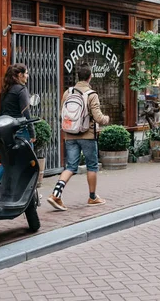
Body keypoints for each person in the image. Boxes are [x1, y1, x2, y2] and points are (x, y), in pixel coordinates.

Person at [47, 62, 110, 211]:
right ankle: (93, 197)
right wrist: (106, 119)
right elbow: (98, 117)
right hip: (87, 135)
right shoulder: (91, 94)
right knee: (92, 166)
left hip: (70, 135)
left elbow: (62, 113)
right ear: (90, 77)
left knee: (70, 167)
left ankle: (56, 194)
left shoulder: (67, 93)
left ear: (78, 77)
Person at [0, 63, 36, 184]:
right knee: (29, 163)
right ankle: (28, 192)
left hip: (6, 131)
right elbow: (26, 113)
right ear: (20, 75)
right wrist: (32, 132)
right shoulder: (21, 90)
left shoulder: (5, 91)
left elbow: (1, 112)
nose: (28, 76)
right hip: (21, 131)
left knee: (8, 161)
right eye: (26, 73)